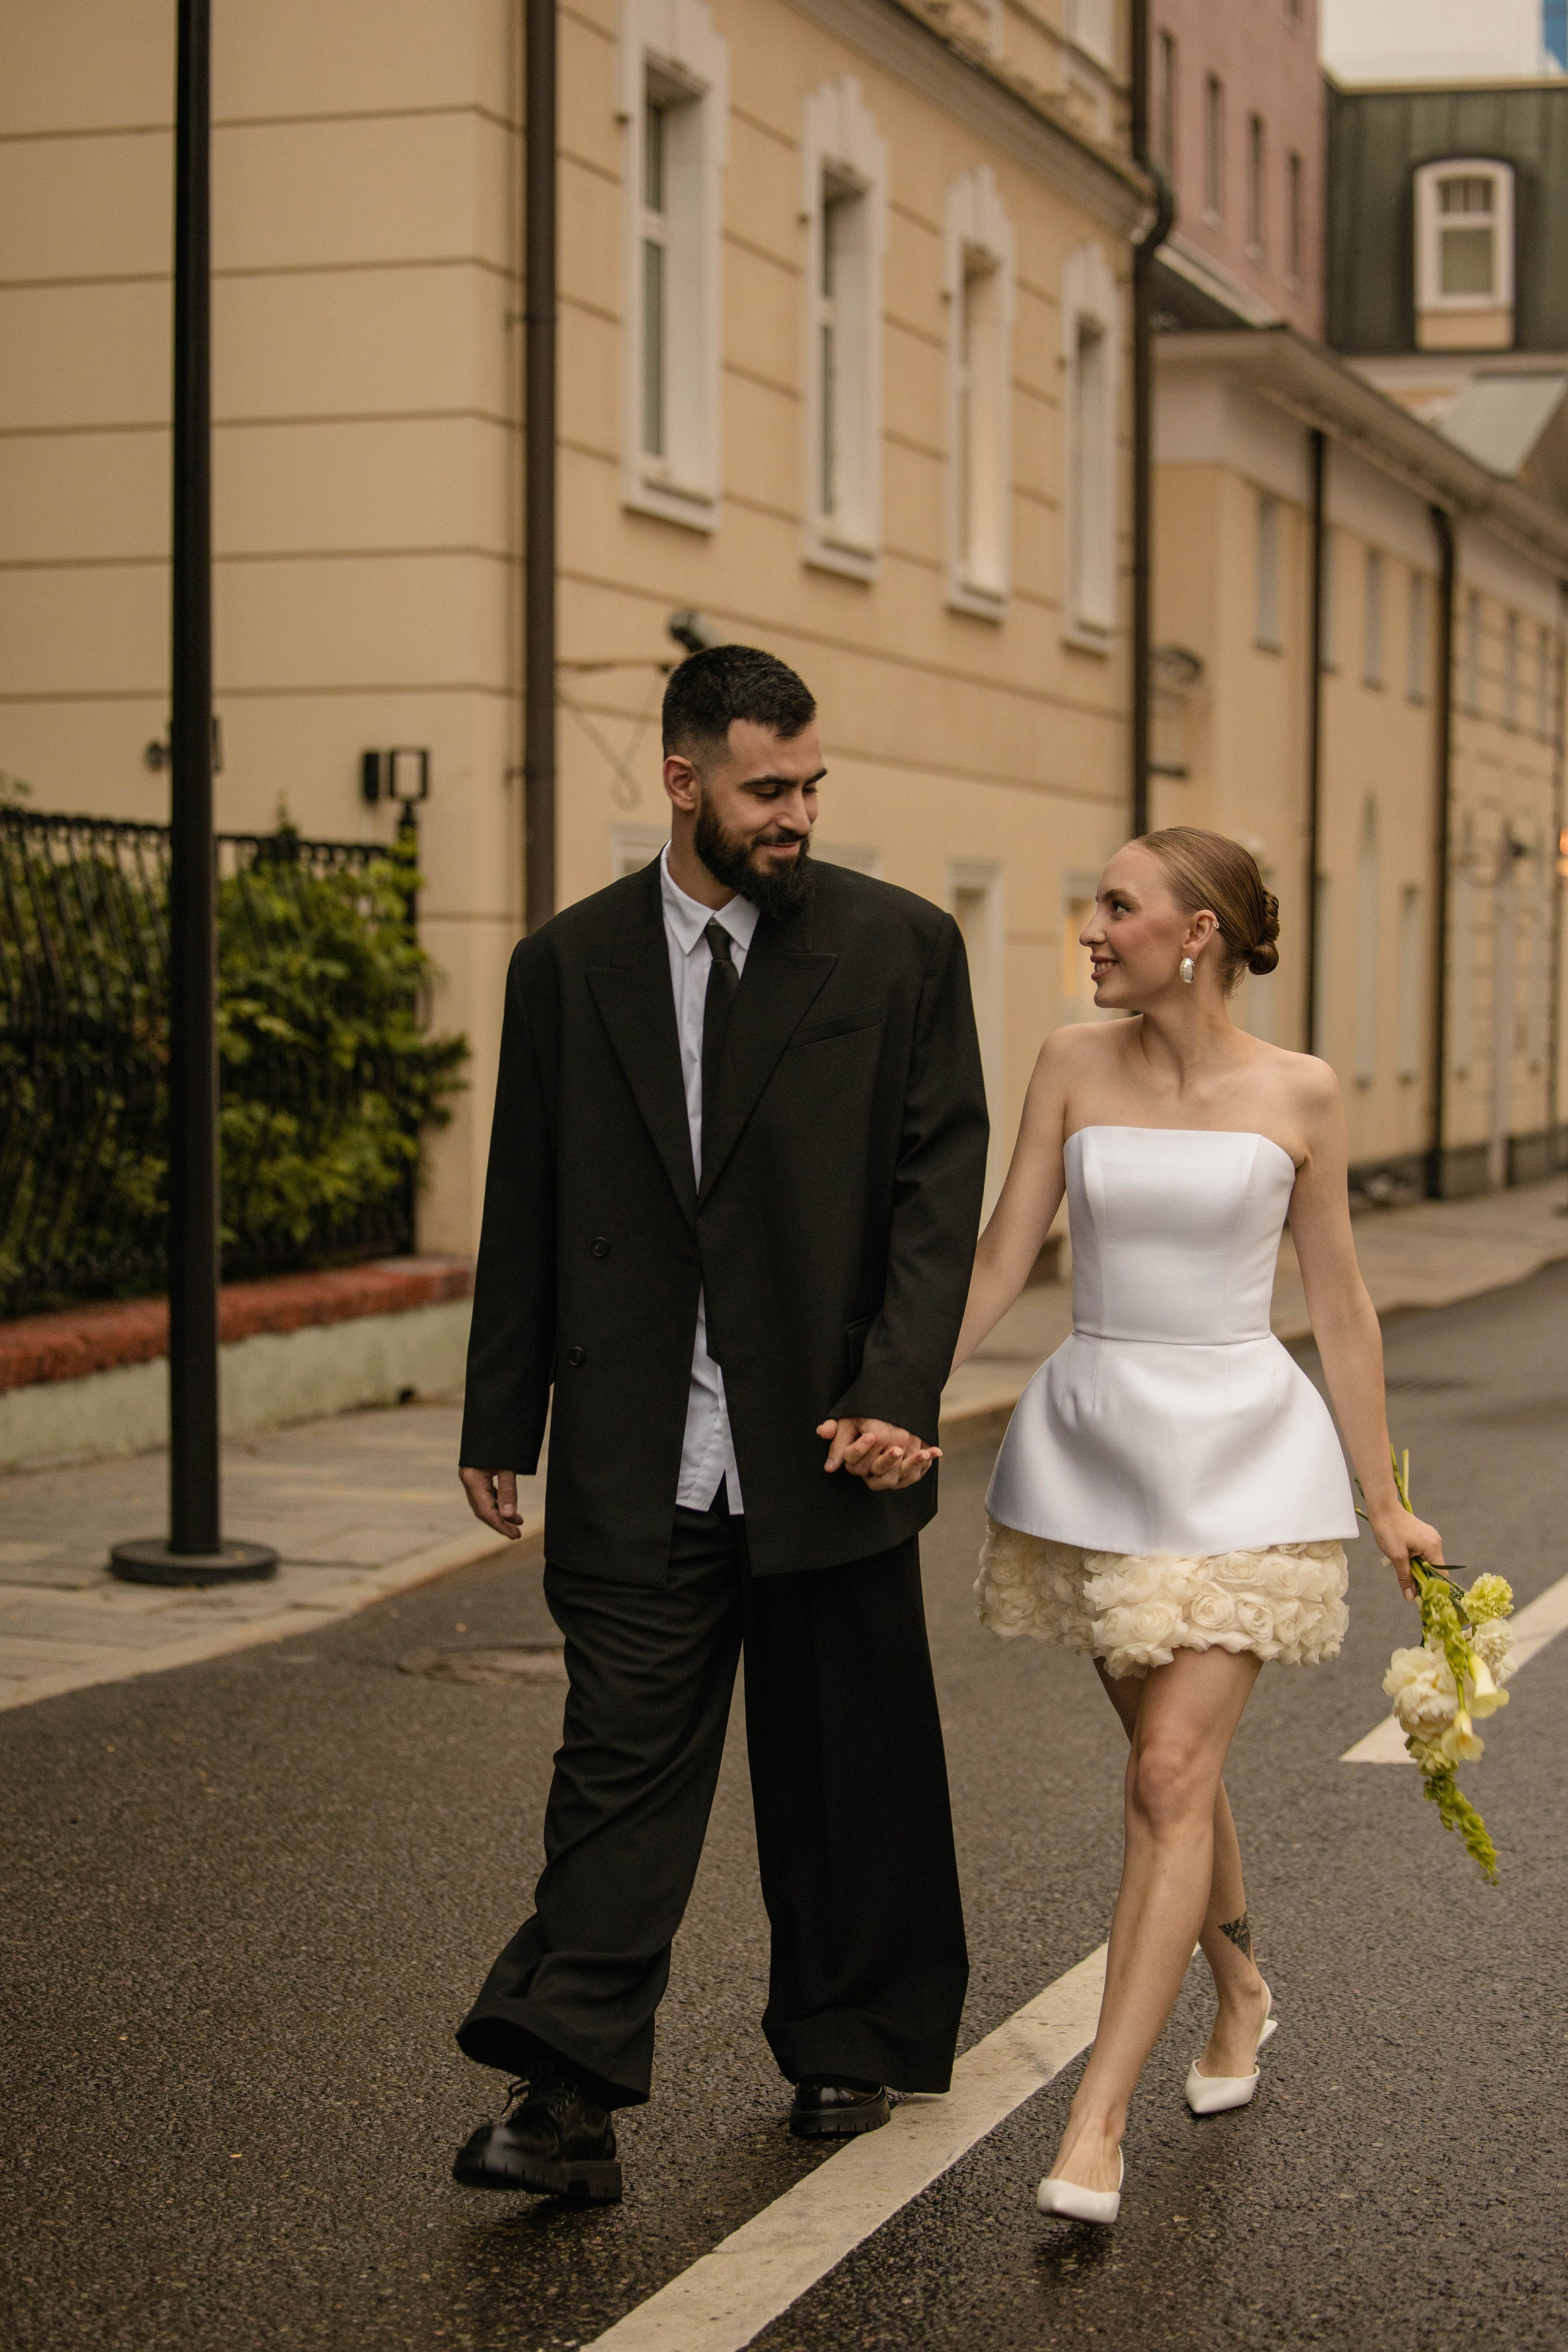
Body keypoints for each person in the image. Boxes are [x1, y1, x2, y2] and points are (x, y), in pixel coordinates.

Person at [451, 644, 988, 2203]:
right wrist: (504, 1409)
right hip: (638, 1443)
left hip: (822, 1441)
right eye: (769, 787)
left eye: (812, 784)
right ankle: (567, 2097)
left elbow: (931, 1197)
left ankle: (845, 2034)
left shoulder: (900, 951)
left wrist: (896, 1392)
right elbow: (526, 1195)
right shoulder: (567, 967)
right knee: (615, 1768)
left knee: (841, 1765)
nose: (798, 813)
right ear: (681, 780)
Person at [954, 826, 1442, 2226]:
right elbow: (1003, 1258)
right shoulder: (1067, 1063)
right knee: (1172, 1771)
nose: (1092, 928)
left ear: (1197, 932)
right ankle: (1238, 1985)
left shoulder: (1300, 1090)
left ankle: (1093, 2124)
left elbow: (1336, 1301)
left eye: (1114, 905)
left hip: (1244, 1452)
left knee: (1171, 1776)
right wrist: (895, 1394)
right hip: (1094, 1452)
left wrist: (1382, 1500)